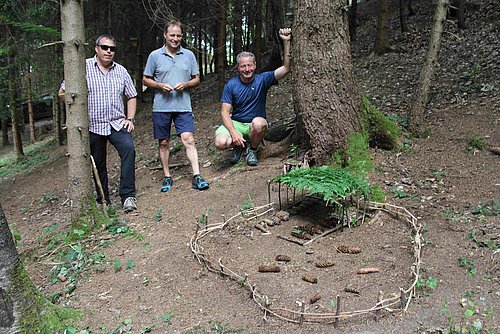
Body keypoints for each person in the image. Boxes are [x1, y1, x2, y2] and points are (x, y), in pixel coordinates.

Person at [60, 34, 138, 213]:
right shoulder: (83, 67)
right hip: (93, 125)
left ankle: (128, 197)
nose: (109, 51)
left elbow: (132, 95)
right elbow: (63, 91)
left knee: (129, 150)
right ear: (96, 49)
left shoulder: (121, 71)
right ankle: (103, 200)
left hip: (117, 123)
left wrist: (130, 118)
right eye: (105, 47)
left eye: (112, 49)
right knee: (98, 162)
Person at [142, 20, 209, 192]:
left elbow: (197, 79)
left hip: (183, 106)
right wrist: (159, 85)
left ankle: (197, 175)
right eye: (172, 35)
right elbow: (145, 79)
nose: (175, 38)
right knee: (164, 142)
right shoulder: (155, 56)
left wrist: (186, 85)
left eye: (178, 35)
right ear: (165, 35)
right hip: (161, 107)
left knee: (189, 139)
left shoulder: (188, 55)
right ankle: (167, 176)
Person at [214, 28, 292, 166]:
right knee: (220, 142)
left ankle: (253, 149)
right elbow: (224, 112)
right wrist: (234, 133)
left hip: (254, 123)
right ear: (238, 67)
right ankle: (239, 145)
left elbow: (286, 68)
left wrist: (286, 42)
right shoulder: (231, 85)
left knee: (258, 124)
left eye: (249, 65)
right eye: (243, 66)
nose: (247, 69)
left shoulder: (263, 79)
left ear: (255, 65)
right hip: (237, 123)